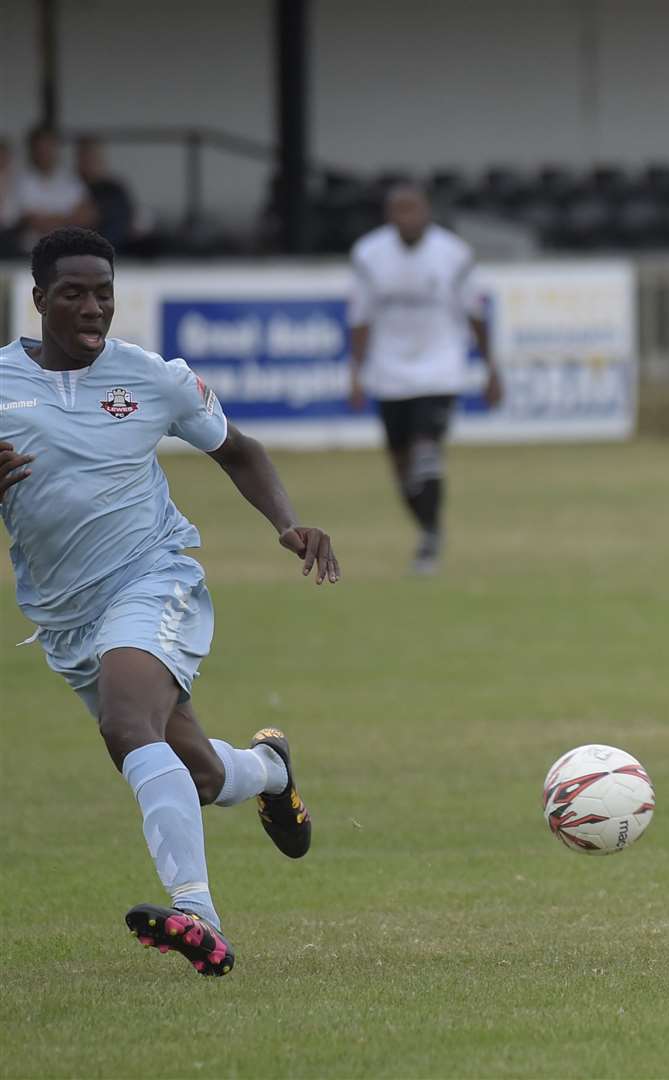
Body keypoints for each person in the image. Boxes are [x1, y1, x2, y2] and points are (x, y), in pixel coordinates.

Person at [0, 227, 339, 977]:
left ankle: (198, 916)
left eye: (104, 293)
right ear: (37, 300)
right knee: (200, 774)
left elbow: (239, 449)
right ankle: (270, 770)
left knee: (127, 724)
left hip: (153, 579)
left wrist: (288, 524)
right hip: (64, 618)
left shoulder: (150, 378)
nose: (93, 309)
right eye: (74, 294)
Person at [347, 184, 500, 575]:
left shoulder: (454, 254)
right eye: (399, 211)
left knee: (425, 449)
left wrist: (491, 369)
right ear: (388, 216)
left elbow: (476, 315)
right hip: (390, 372)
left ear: (427, 212)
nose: (406, 218)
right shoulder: (369, 255)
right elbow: (361, 318)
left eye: (413, 210)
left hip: (440, 370)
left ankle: (430, 537)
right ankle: (427, 527)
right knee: (400, 463)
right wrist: (356, 374)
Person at [12, 125, 96, 247]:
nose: (45, 152)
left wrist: (51, 219)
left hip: (70, 248)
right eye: (40, 147)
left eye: (49, 146)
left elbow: (87, 217)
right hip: (33, 251)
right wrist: (69, 218)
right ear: (32, 149)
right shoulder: (21, 179)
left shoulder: (71, 179)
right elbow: (34, 222)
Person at [75, 135, 141, 249]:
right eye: (85, 157)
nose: (89, 162)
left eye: (93, 157)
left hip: (115, 249)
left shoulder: (115, 190)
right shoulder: (70, 187)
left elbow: (125, 222)